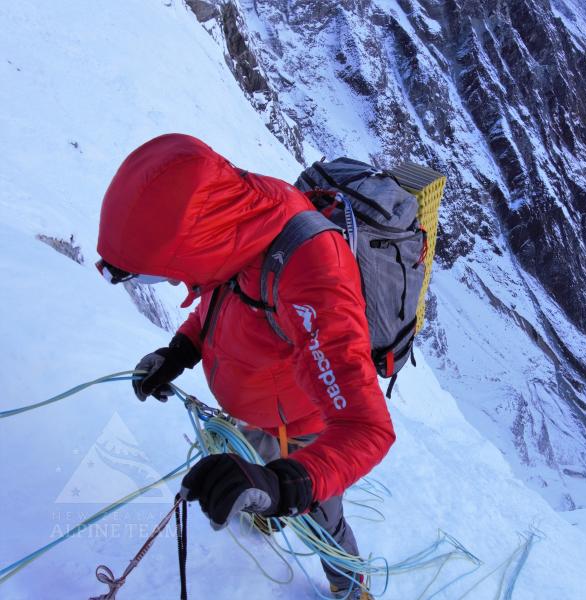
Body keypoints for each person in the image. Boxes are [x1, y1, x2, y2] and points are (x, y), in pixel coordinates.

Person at [96, 133, 395, 599]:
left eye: (164, 270)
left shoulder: (314, 272)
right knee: (258, 465)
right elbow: (222, 301)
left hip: (301, 427)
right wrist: (179, 352)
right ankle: (264, 501)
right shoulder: (237, 223)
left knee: (323, 520)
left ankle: (350, 586)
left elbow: (367, 427)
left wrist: (284, 482)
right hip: (258, 406)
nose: (172, 280)